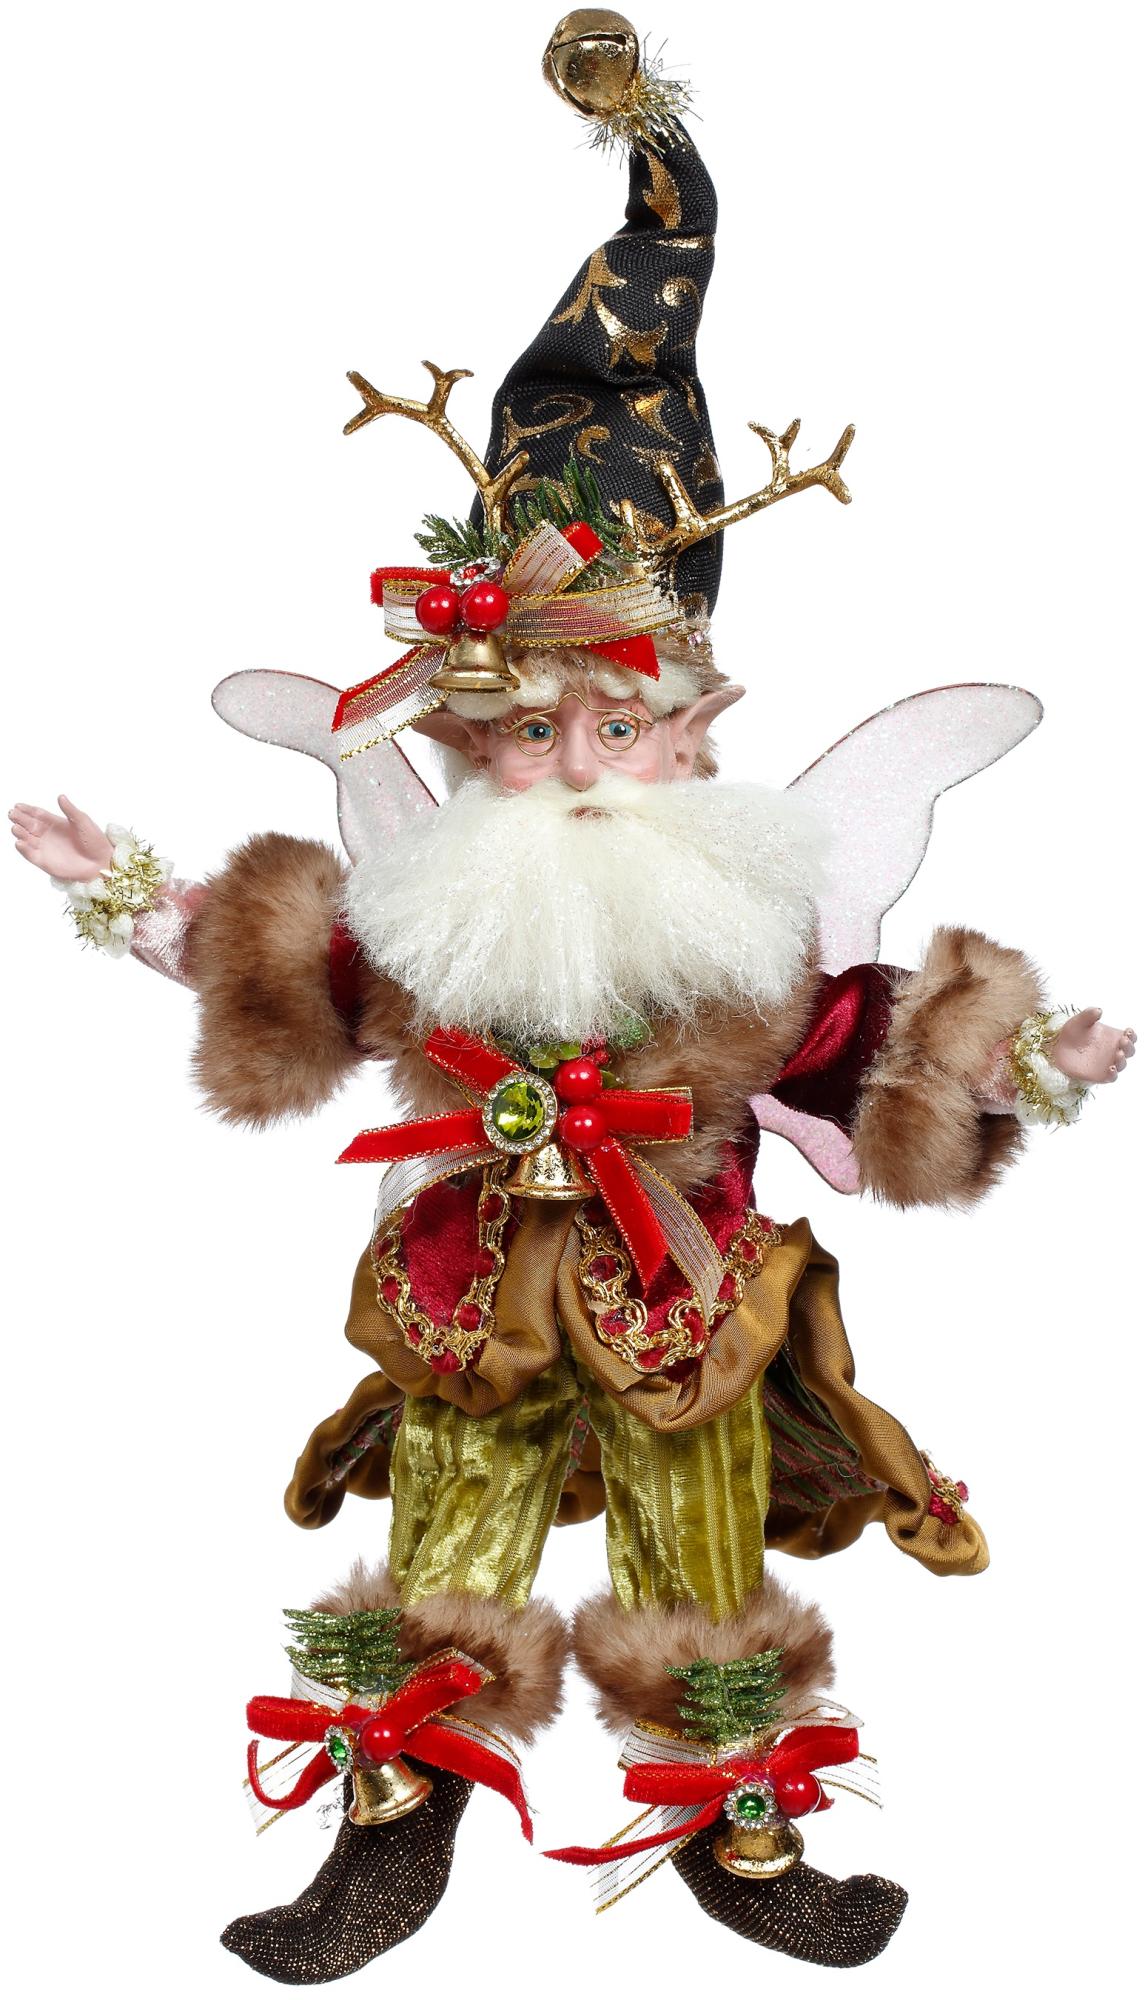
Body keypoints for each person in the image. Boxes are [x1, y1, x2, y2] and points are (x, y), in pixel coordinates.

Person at [8, 11, 1134, 1985]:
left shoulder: (742, 927)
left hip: (690, 1295)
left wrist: (1017, 1058)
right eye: (530, 731)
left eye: (618, 722)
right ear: (469, 742)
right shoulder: (439, 917)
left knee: (703, 1557)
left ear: (696, 730)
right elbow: (304, 977)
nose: (577, 762)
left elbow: (862, 1041)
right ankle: (388, 1833)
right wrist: (125, 893)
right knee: (444, 1545)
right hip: (469, 1289)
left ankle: (743, 1831)